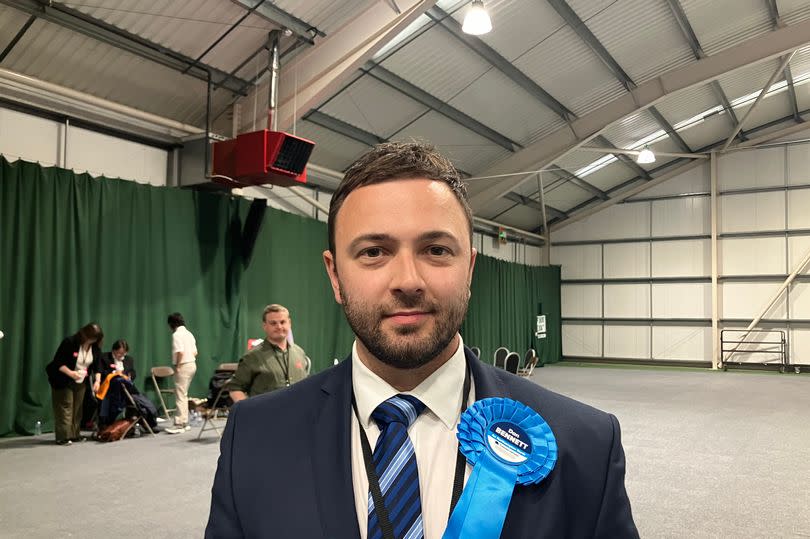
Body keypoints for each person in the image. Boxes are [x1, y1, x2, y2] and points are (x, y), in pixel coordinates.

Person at [206, 142, 639, 538]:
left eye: (435, 250)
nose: (408, 281)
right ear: (335, 275)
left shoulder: (584, 444)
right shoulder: (255, 437)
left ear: (469, 270)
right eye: (373, 252)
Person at [226, 304, 308, 402]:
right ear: (265, 326)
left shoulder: (299, 353)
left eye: (282, 322)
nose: (279, 326)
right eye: (273, 323)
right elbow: (235, 389)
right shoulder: (252, 357)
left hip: (299, 414)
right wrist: (251, 410)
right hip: (266, 416)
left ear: (289, 323)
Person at [45, 323, 104, 445]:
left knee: (78, 408)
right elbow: (58, 362)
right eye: (91, 337)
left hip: (80, 381)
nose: (92, 340)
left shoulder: (95, 347)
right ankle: (63, 437)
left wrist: (97, 381)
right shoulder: (70, 342)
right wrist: (71, 373)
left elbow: (98, 367)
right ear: (84, 334)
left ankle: (75, 434)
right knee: (66, 407)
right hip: (63, 378)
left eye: (95, 339)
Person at [165, 312, 197, 434]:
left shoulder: (177, 335)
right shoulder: (189, 334)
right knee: (183, 394)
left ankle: (180, 423)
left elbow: (180, 352)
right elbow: (195, 352)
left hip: (183, 365)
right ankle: (185, 422)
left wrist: (177, 366)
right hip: (192, 364)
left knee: (180, 395)